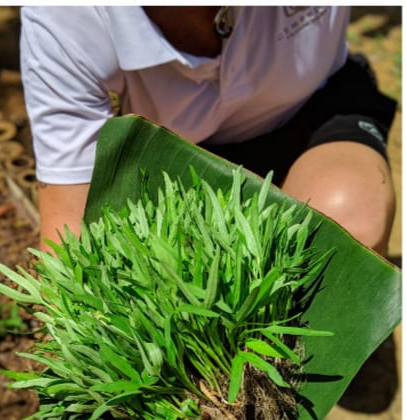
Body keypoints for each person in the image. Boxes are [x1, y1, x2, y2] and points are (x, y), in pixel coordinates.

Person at [20, 6, 398, 255]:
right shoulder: (66, 18)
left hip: (312, 111)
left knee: (347, 227)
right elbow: (70, 226)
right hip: (177, 156)